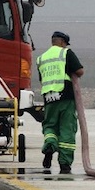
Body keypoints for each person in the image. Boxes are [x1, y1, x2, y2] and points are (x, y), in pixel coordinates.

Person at [37, 31, 84, 174]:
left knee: (50, 125)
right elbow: (80, 71)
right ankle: (64, 163)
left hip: (49, 98)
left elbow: (41, 78)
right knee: (67, 129)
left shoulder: (42, 58)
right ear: (63, 42)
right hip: (66, 97)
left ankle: (50, 144)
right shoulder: (66, 53)